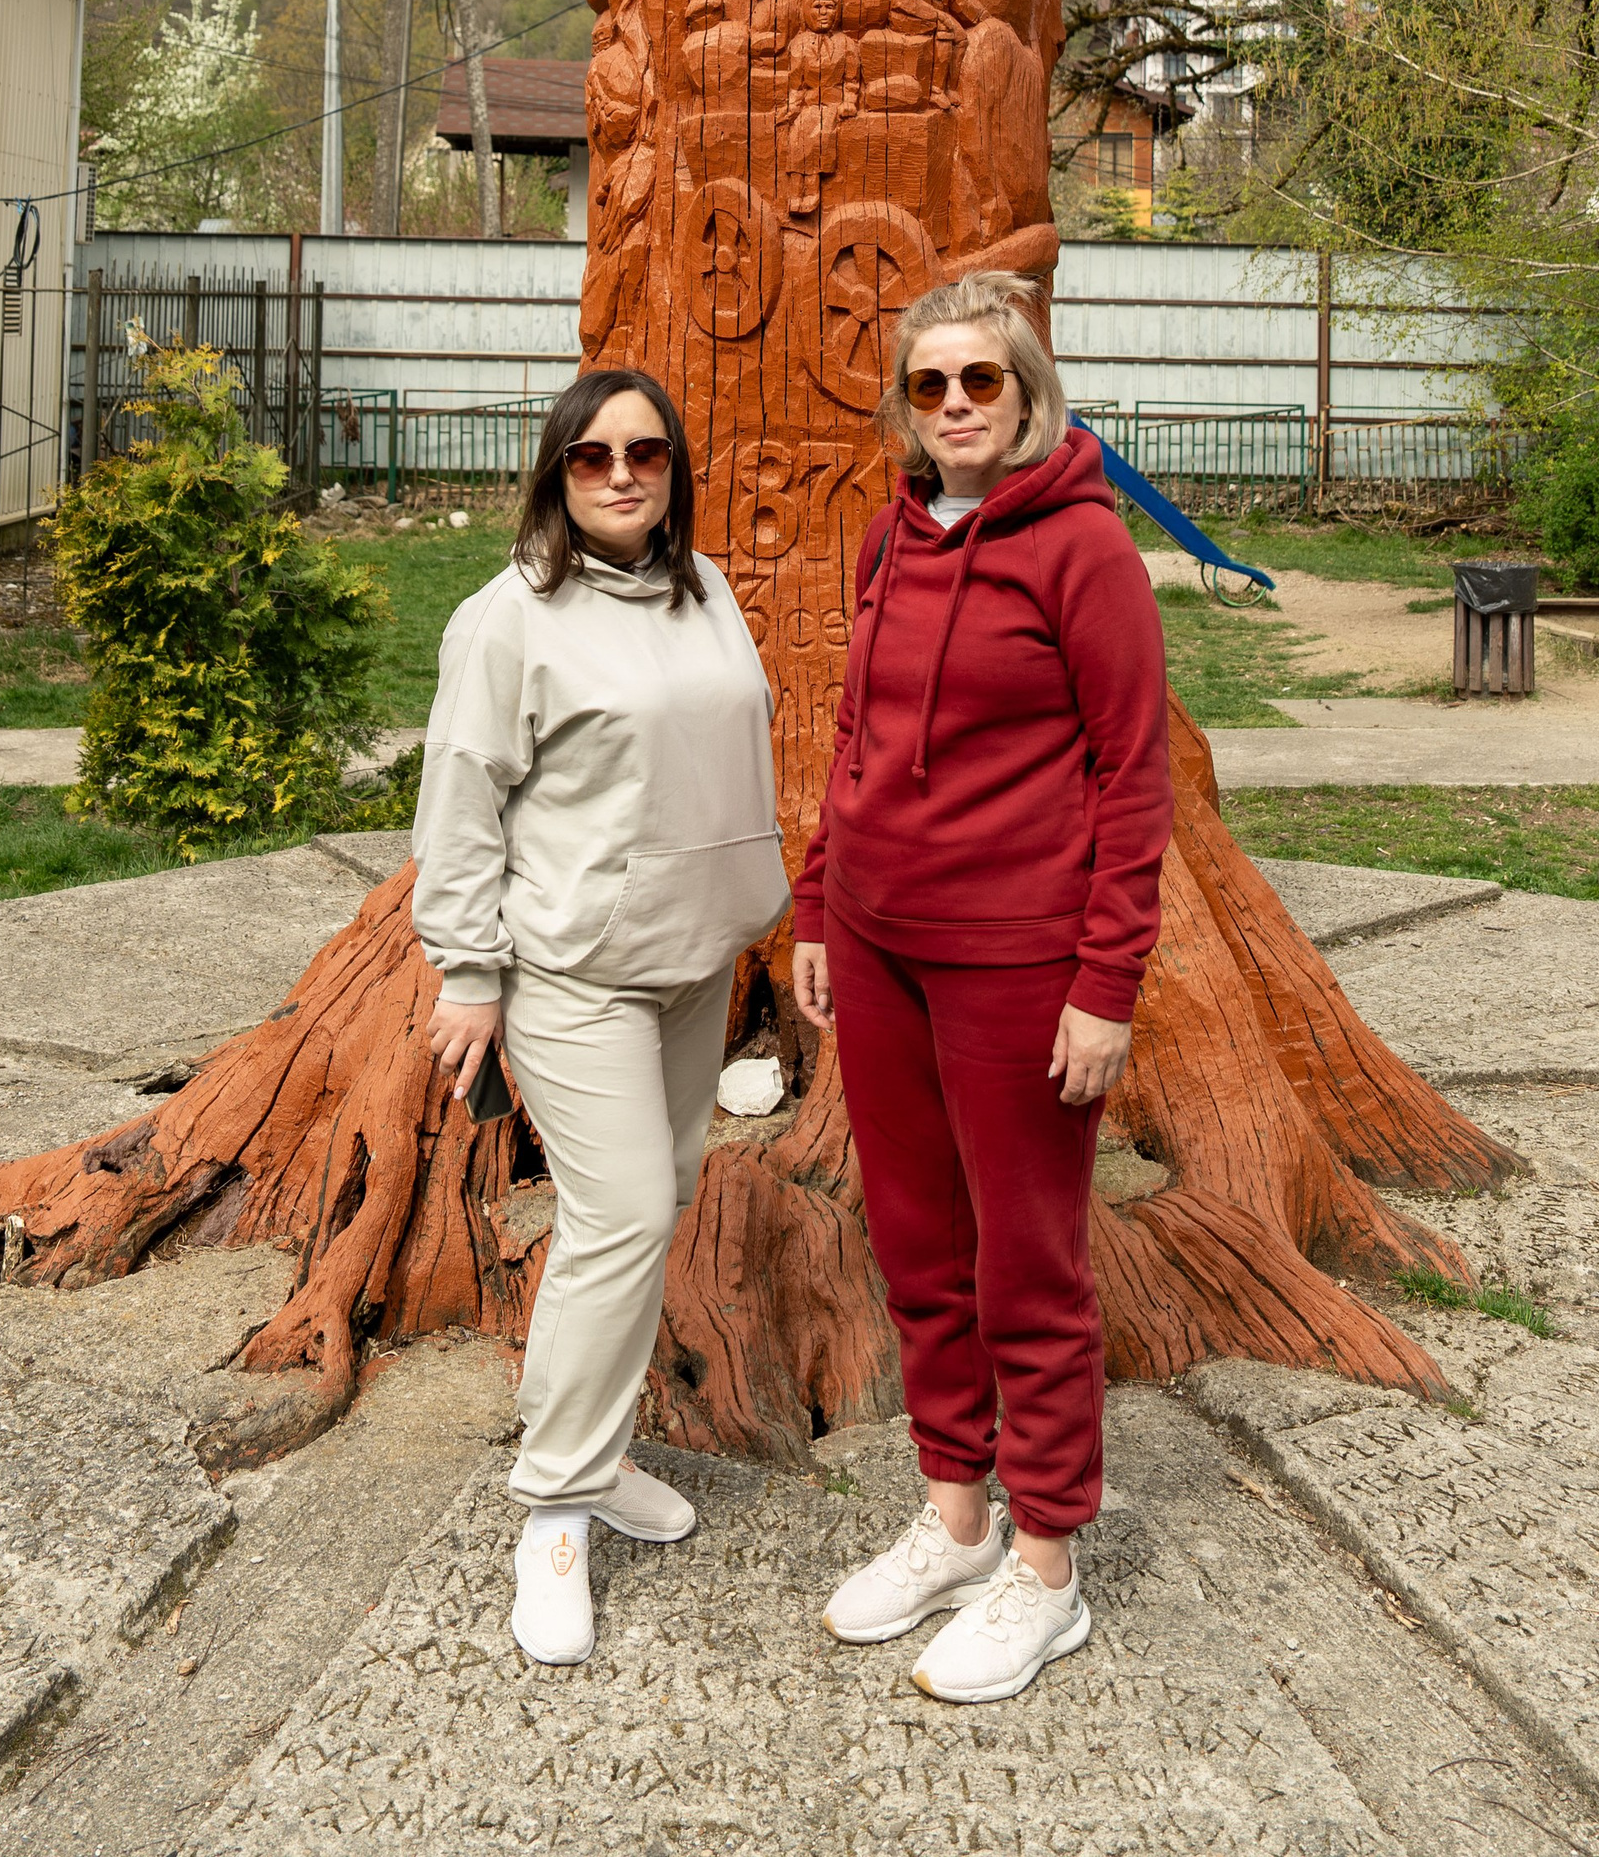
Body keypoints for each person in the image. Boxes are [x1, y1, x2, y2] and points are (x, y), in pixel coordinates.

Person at [791, 273, 1170, 1703]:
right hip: (881, 949)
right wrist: (824, 900)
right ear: (909, 401)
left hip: (1020, 962)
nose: (955, 403)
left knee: (1030, 1264)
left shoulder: (1083, 552)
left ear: (1027, 393)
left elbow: (1131, 782)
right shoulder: (895, 531)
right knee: (917, 1243)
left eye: (982, 380)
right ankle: (957, 1518)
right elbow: (854, 732)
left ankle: (1048, 1566)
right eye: (932, 381)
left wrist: (1105, 982)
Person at [412, 368, 788, 1667]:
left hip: (691, 962)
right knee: (621, 1211)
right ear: (555, 472)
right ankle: (554, 1506)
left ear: (674, 466)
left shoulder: (705, 589)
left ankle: (599, 1442)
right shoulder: (508, 619)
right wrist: (468, 970)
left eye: (646, 451)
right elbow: (462, 796)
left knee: (654, 1199)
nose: (622, 473)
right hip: (574, 969)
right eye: (592, 456)